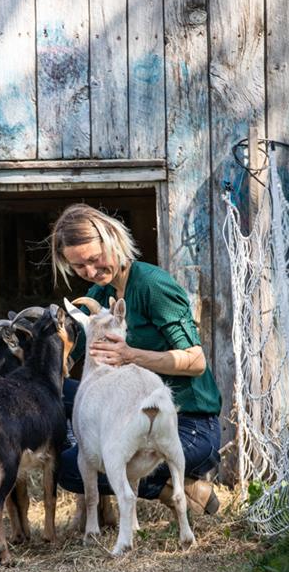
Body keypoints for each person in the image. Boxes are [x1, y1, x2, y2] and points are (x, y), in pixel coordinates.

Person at [50, 203, 222, 515]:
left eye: (94, 259)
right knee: (55, 393)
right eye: (78, 267)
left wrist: (131, 355)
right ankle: (110, 490)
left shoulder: (152, 285)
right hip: (127, 418)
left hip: (185, 424)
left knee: (72, 470)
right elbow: (67, 357)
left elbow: (195, 361)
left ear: (112, 240)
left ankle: (176, 488)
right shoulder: (99, 297)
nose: (90, 271)